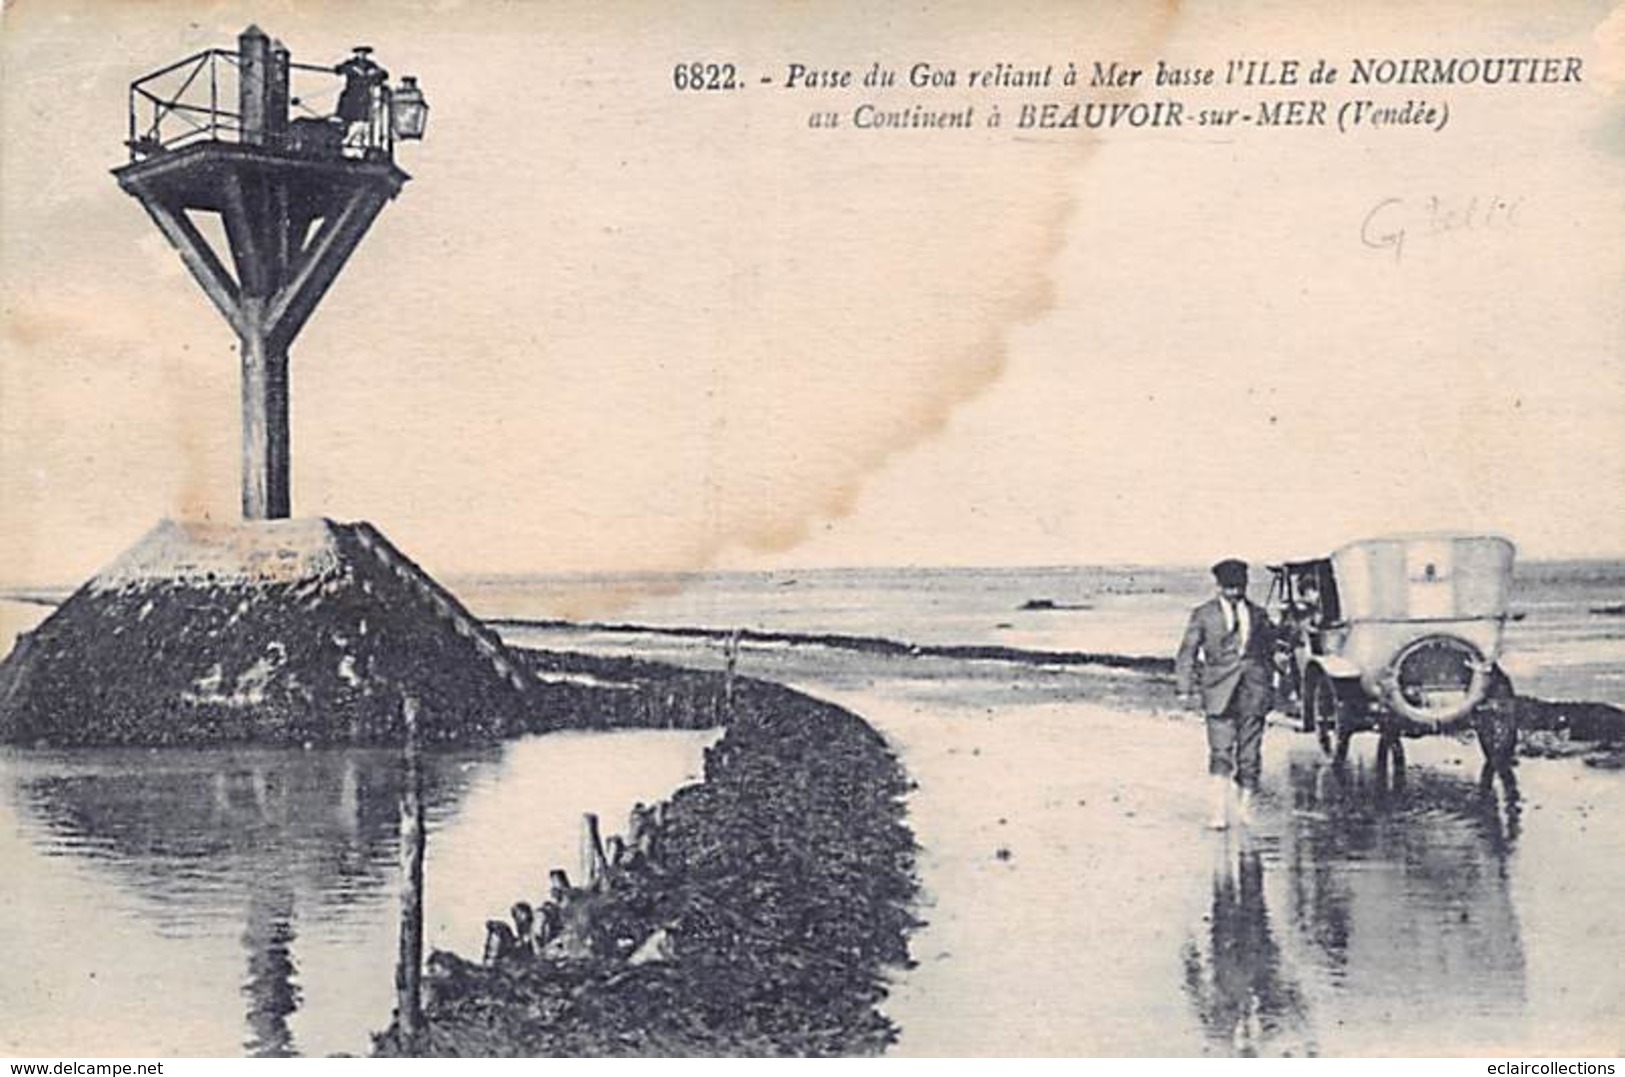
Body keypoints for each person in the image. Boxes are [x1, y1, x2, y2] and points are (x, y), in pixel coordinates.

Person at [1176, 559, 1277, 829]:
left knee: (1250, 755)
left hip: (1254, 691)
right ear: (1218, 587)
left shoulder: (1258, 614)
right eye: (1229, 588)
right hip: (1218, 692)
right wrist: (1184, 689)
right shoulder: (1203, 614)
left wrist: (1271, 685)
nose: (1234, 594)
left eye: (1239, 588)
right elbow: (1187, 652)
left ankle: (1245, 811)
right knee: (1220, 753)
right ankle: (1218, 812)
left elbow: (1270, 651)